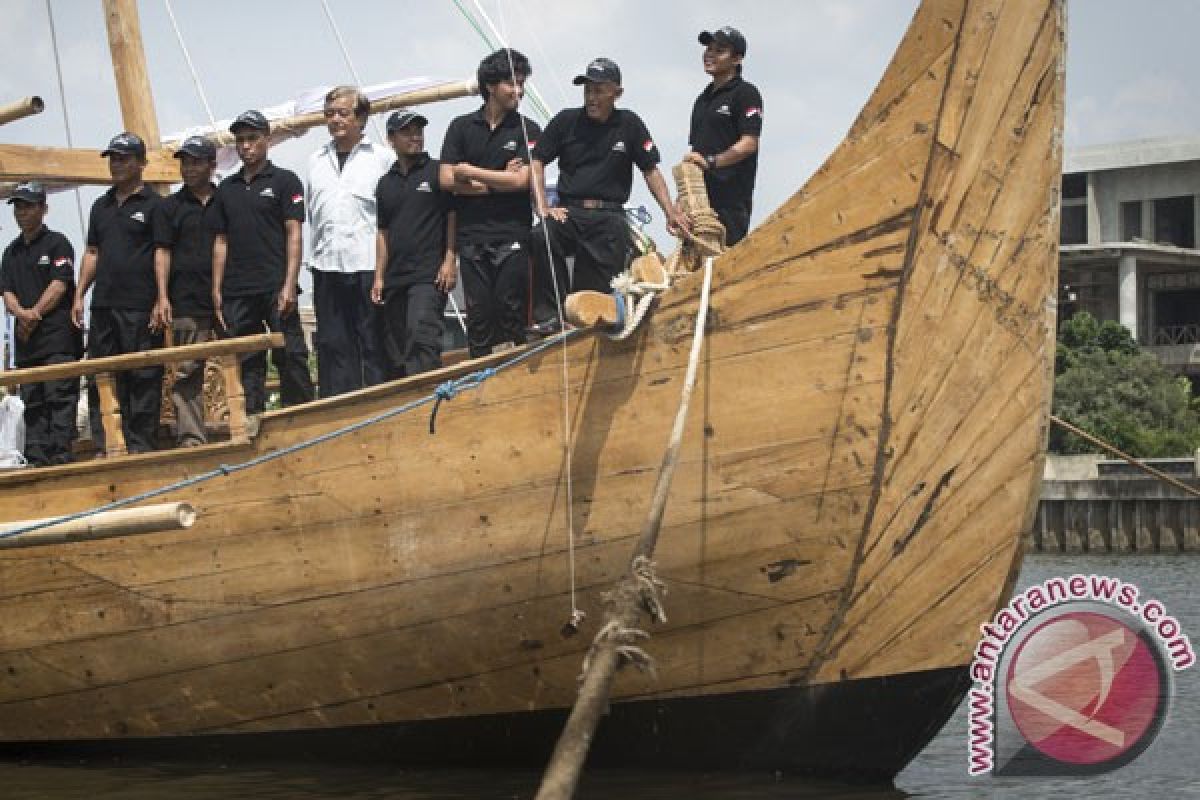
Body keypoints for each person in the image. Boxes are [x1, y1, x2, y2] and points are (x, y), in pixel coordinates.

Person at [530, 57, 686, 331]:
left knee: (592, 300)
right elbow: (537, 160)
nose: (592, 97)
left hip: (608, 216)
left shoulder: (630, 124)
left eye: (599, 90)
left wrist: (670, 211)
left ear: (617, 93)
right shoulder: (566, 121)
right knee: (542, 233)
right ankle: (550, 317)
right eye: (588, 90)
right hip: (570, 211)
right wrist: (542, 205)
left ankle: (585, 325)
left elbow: (650, 171)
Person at [210, 110, 315, 420]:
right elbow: (220, 241)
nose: (246, 146)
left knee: (291, 354)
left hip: (275, 285)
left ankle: (300, 416)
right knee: (246, 361)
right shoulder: (226, 189)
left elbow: (294, 232)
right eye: (240, 140)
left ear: (267, 140)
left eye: (252, 138)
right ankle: (252, 420)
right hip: (237, 290)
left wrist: (288, 284)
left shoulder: (285, 180)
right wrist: (216, 289)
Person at [440, 48, 541, 358]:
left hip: (512, 235)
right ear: (490, 86)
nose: (519, 91)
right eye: (511, 83)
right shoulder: (460, 127)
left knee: (510, 314)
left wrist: (469, 173)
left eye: (522, 83)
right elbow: (445, 179)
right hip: (471, 239)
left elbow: (522, 181)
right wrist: (497, 182)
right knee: (479, 318)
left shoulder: (528, 129)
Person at [72, 132, 164, 454]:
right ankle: (106, 444)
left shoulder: (156, 205)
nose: (116, 164)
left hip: (140, 306)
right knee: (102, 376)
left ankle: (141, 446)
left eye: (123, 157)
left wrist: (161, 299)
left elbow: (161, 254)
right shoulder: (101, 205)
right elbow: (92, 252)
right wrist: (79, 295)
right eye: (113, 158)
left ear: (141, 162)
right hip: (104, 307)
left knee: (143, 376)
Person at [306, 85, 393, 397]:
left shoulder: (382, 159)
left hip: (367, 264)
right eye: (329, 114)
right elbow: (313, 215)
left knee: (372, 340)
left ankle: (379, 407)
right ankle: (337, 409)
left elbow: (391, 215)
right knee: (332, 344)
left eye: (343, 113)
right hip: (326, 264)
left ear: (361, 118)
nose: (335, 120)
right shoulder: (315, 160)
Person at [0, 183, 81, 466]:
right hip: (26, 342)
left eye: (28, 206)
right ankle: (36, 456)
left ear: (43, 209)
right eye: (18, 206)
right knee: (32, 400)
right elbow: (6, 291)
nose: (22, 212)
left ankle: (61, 454)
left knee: (59, 396)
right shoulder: (10, 252)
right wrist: (22, 314)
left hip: (57, 338)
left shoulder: (57, 242)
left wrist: (34, 313)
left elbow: (59, 284)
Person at [372, 110, 457, 378]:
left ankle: (428, 403)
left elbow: (453, 216)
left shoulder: (437, 172)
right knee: (395, 350)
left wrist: (449, 260)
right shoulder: (385, 183)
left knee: (422, 338)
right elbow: (382, 232)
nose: (415, 136)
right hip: (395, 277)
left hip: (429, 275)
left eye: (418, 130)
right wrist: (378, 277)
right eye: (407, 131)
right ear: (391, 139)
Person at [151, 135, 219, 447]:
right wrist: (162, 296)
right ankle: (192, 437)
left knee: (245, 361)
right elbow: (162, 252)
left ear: (211, 165)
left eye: (196, 162)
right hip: (186, 299)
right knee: (187, 371)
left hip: (227, 297)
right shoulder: (169, 208)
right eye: (185, 162)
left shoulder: (227, 200)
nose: (189, 168)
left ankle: (243, 425)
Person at [684, 26, 763, 246]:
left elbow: (749, 143)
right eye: (708, 48)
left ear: (737, 59)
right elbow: (696, 152)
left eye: (719, 50)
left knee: (723, 269)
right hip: (699, 203)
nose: (709, 54)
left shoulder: (746, 93)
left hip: (731, 202)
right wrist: (682, 199)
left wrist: (712, 162)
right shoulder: (703, 99)